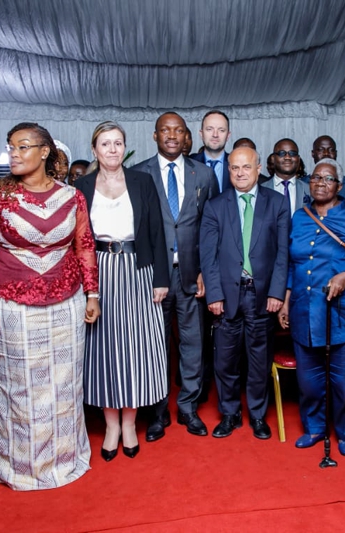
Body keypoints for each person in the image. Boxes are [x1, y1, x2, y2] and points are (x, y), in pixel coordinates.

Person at [0, 122, 100, 490]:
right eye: (10, 146)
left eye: (23, 146)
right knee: (20, 389)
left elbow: (85, 246)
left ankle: (64, 460)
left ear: (45, 152)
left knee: (64, 386)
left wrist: (92, 294)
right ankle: (19, 467)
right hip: (14, 307)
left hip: (66, 306)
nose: (14, 153)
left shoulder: (71, 197)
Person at [75, 121, 169, 461]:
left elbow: (158, 232)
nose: (112, 149)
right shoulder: (81, 186)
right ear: (94, 149)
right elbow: (76, 239)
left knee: (136, 347)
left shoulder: (142, 182)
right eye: (105, 143)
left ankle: (129, 423)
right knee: (103, 349)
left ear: (124, 148)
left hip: (137, 270)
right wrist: (85, 287)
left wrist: (161, 279)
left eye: (118, 143)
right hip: (98, 273)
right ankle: (110, 424)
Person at [279, 158, 345, 456]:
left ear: (339, 186)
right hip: (304, 312)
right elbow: (291, 263)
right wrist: (286, 302)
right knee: (309, 382)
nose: (321, 183)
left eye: (328, 179)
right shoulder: (299, 217)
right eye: (316, 178)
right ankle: (315, 428)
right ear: (308, 182)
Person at [132, 112, 218, 440]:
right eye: (165, 130)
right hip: (154, 278)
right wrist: (147, 275)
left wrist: (205, 273)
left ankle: (188, 407)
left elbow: (211, 230)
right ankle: (157, 413)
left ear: (186, 138)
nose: (171, 135)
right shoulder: (139, 174)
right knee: (156, 346)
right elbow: (137, 230)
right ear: (155, 136)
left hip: (191, 276)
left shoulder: (204, 175)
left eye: (178, 130)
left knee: (193, 343)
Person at [200, 147, 290, 439]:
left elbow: (282, 254)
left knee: (259, 360)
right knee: (225, 360)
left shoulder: (277, 203)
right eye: (234, 168)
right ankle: (229, 414)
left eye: (246, 167)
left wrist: (277, 291)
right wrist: (214, 295)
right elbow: (208, 256)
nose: (240, 173)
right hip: (227, 296)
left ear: (259, 167)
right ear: (229, 170)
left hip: (262, 295)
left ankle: (257, 415)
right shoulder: (215, 206)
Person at [191, 110, 233, 195]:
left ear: (228, 135)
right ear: (201, 134)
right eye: (209, 129)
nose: (215, 135)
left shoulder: (237, 165)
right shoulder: (189, 164)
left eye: (221, 130)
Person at [262, 139, 310, 213]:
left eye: (292, 153)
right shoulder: (261, 190)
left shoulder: (309, 190)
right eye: (282, 153)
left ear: (298, 159)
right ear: (273, 158)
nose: (287, 157)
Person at [307, 135, 345, 205]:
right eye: (321, 150)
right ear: (313, 154)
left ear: (336, 153)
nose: (326, 153)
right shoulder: (302, 183)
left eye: (331, 150)